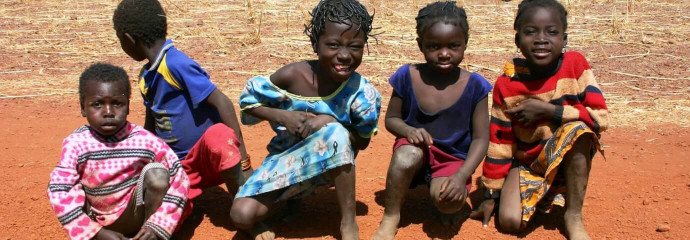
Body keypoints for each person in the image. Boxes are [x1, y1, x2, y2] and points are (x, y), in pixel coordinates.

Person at [228, 1, 380, 239]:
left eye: (355, 46)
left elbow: (360, 143)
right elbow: (249, 102)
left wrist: (328, 120)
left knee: (336, 133)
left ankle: (348, 224)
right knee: (241, 215)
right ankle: (286, 204)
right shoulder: (293, 76)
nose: (344, 55)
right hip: (284, 162)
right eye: (333, 45)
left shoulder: (362, 93)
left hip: (327, 168)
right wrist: (282, 115)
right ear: (315, 44)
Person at [469, 1, 609, 239]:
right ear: (517, 41)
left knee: (579, 131)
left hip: (568, 160)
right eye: (530, 32)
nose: (541, 39)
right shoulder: (507, 83)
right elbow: (500, 142)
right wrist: (491, 194)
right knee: (510, 222)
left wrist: (549, 111)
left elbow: (600, 119)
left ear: (564, 39)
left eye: (552, 32)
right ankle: (532, 191)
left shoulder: (576, 65)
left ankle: (573, 215)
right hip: (527, 163)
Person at [112, 0, 253, 219]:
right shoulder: (145, 77)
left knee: (219, 136)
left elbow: (222, 102)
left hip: (210, 159)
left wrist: (244, 161)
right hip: (180, 167)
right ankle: (181, 207)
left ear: (129, 39)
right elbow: (152, 124)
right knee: (165, 217)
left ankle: (245, 210)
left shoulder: (175, 63)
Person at [372, 2, 492, 239]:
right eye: (434, 46)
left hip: (452, 159)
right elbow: (391, 119)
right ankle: (391, 215)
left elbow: (480, 139)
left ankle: (444, 190)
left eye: (454, 46)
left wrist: (461, 176)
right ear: (420, 45)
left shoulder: (475, 85)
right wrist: (408, 130)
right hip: (416, 150)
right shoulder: (407, 76)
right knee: (406, 156)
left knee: (448, 203)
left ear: (465, 43)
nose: (444, 53)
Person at [47, 63, 189, 240]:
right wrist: (95, 233)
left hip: (135, 215)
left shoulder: (144, 140)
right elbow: (59, 190)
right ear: (83, 107)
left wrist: (159, 224)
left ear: (128, 106)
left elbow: (180, 177)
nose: (108, 112)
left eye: (117, 103)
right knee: (65, 185)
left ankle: (147, 236)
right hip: (94, 219)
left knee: (158, 174)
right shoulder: (76, 143)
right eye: (97, 104)